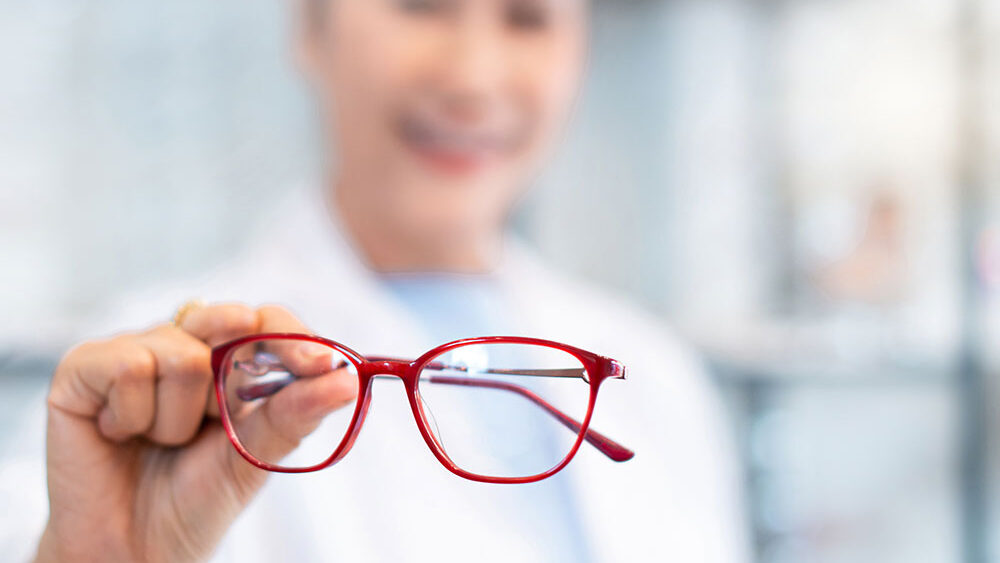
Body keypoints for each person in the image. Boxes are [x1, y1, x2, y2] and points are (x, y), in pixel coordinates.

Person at [28, 1, 747, 561]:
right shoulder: (151, 389)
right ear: (312, 27)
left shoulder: (653, 378)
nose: (473, 75)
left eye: (529, 18)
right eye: (420, 5)